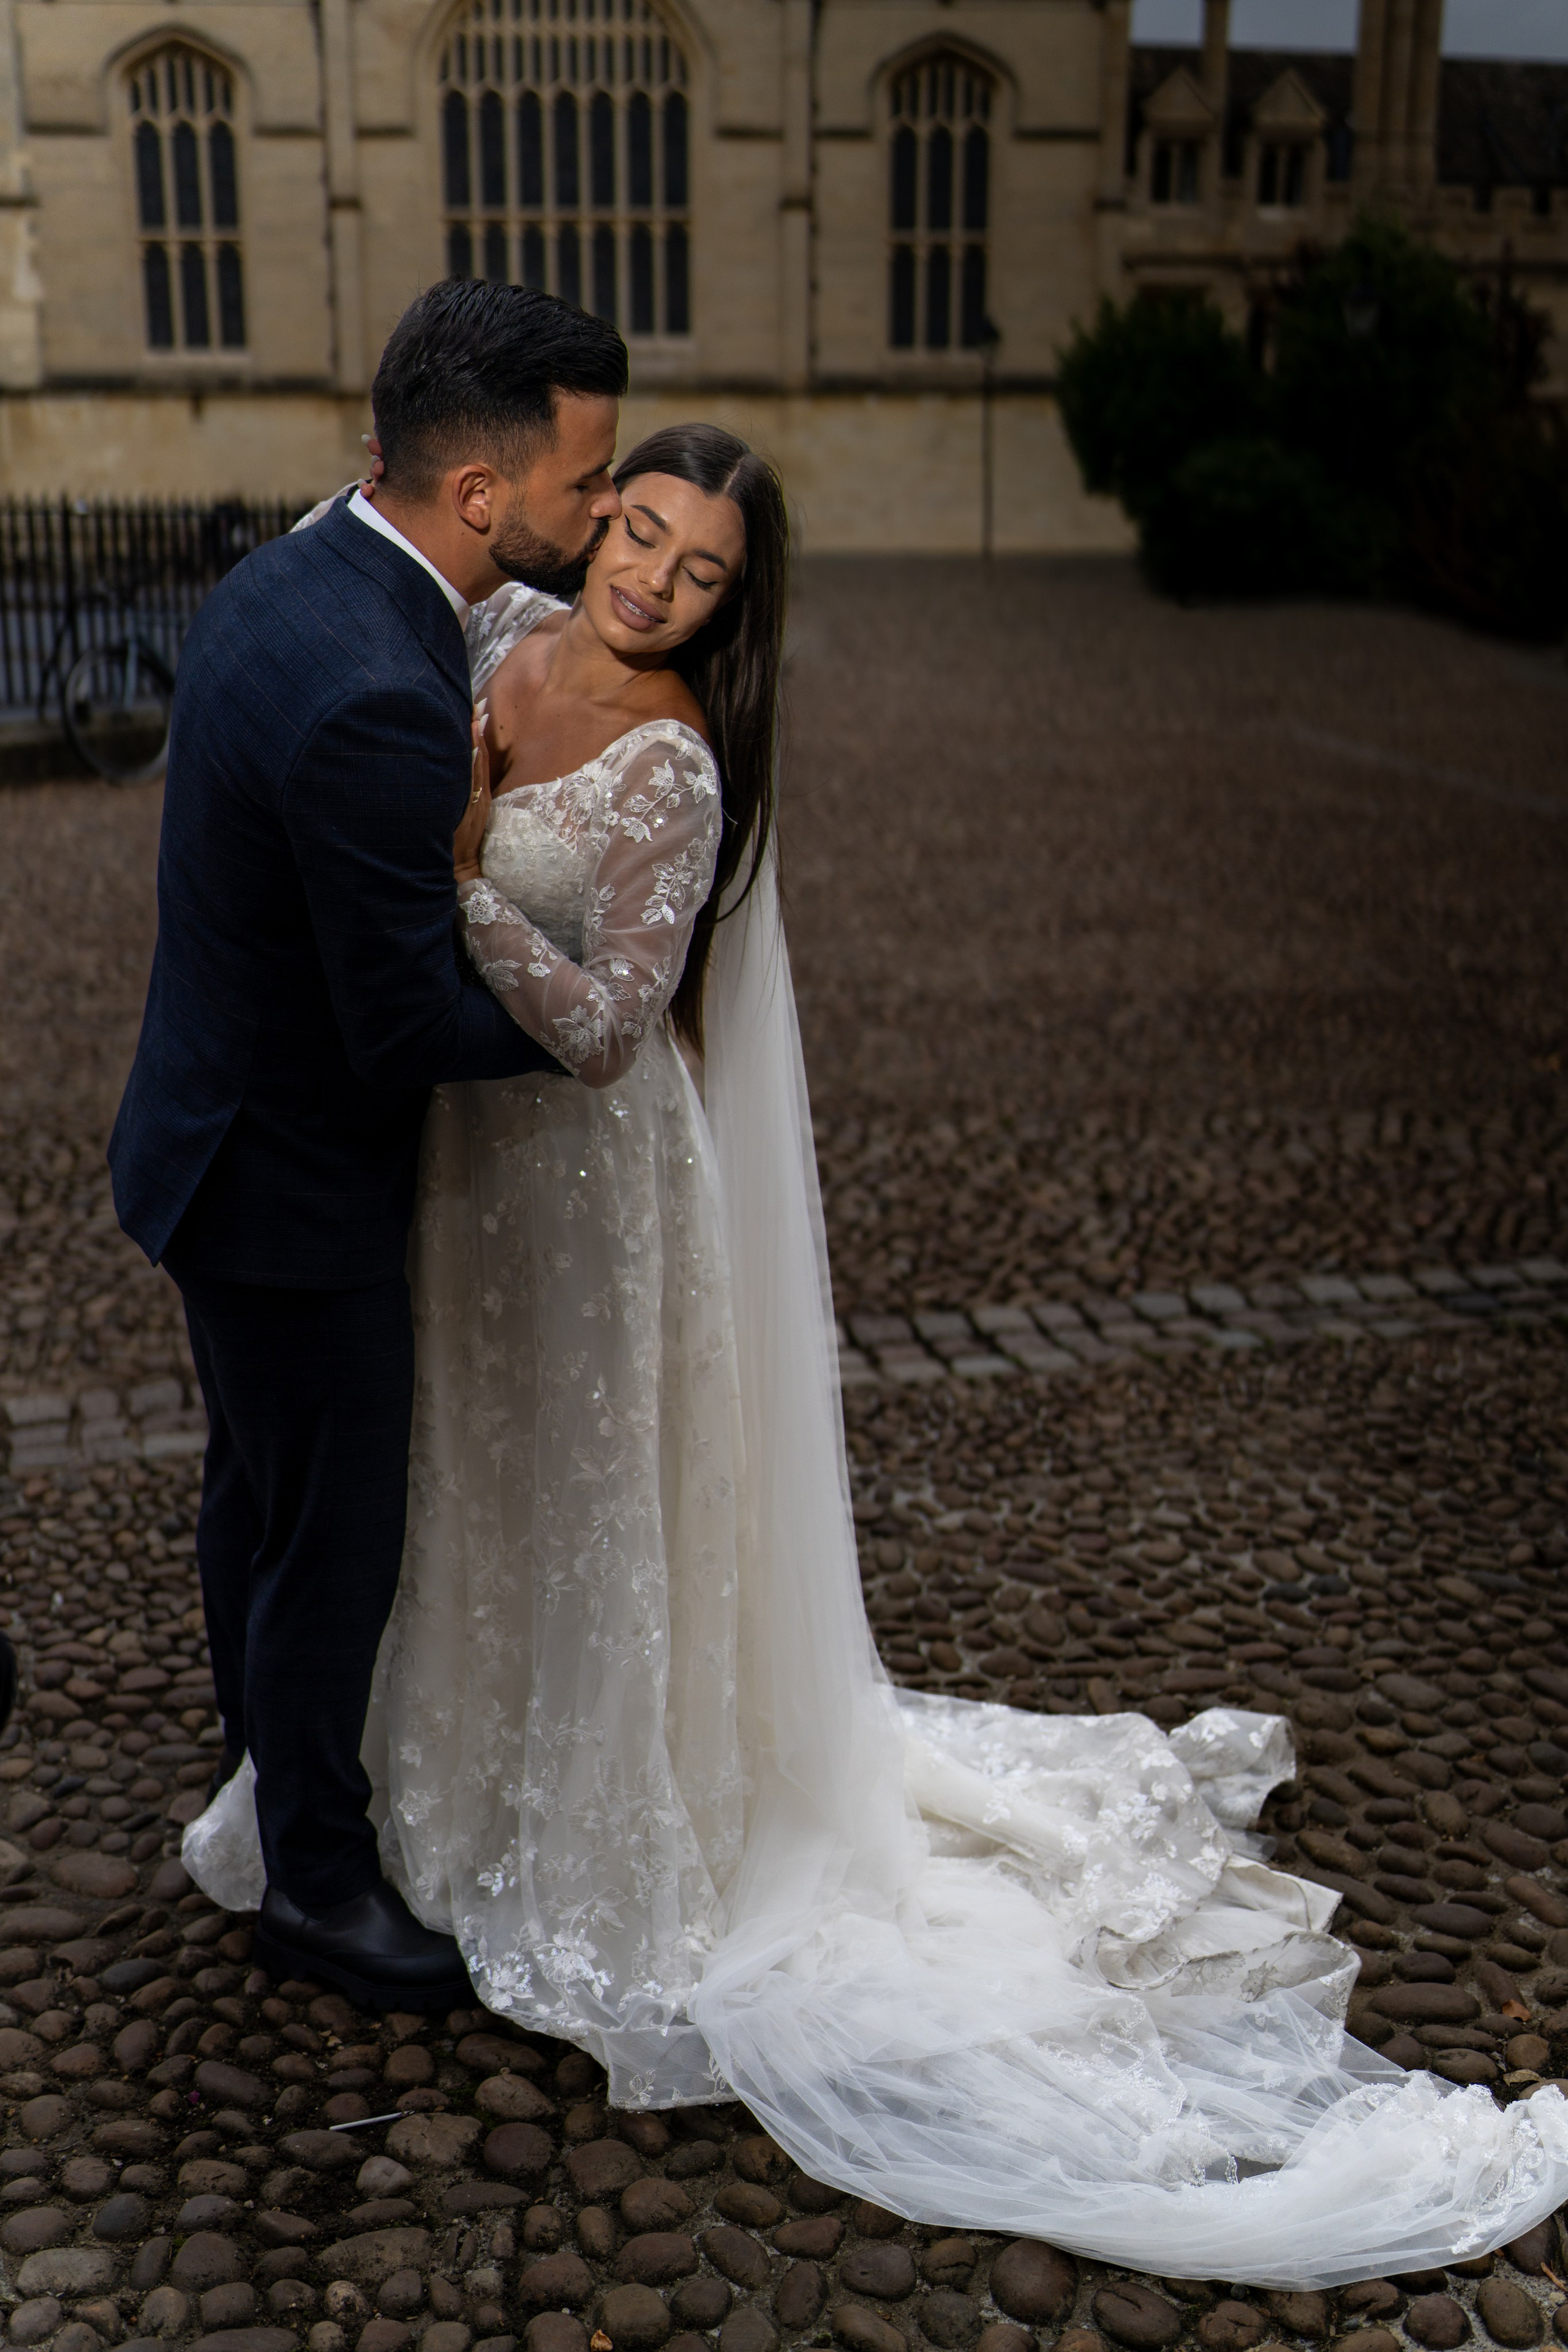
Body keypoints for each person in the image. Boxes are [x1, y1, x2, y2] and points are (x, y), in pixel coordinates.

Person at [186, 421, 1568, 2284]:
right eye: (644, 532)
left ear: (737, 608)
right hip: (453, 1170)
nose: (655, 581)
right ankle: (428, 1781)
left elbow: (611, 1025)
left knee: (591, 1490)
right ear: (595, 510)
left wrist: (446, 888)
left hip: (591, 1192)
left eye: (703, 574)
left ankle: (603, 1813)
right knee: (459, 1469)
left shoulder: (677, 762)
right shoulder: (495, 618)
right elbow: (350, 568)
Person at [109, 281, 628, 2008]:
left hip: (202, 1130)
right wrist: (607, 1034)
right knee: (332, 1534)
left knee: (257, 1493)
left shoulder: (292, 570)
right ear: (481, 495)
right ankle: (318, 1887)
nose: (605, 512)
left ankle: (265, 1764)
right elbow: (403, 1023)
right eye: (585, 480)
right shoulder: (372, 694)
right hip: (286, 1190)